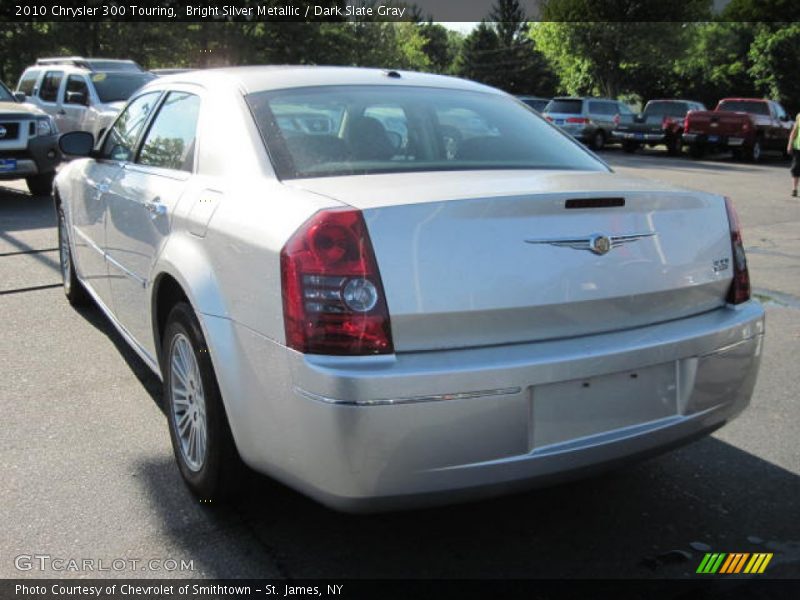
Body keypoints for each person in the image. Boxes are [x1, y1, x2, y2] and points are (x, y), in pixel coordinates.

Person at [787, 112, 800, 197]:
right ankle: (794, 189)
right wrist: (790, 144)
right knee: (796, 168)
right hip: (798, 148)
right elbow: (794, 132)